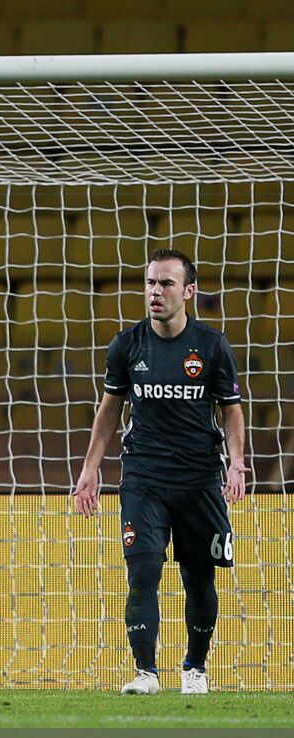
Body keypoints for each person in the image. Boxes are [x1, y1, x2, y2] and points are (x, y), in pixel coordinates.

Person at [73, 248, 246, 696]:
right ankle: (146, 672)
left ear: (188, 291)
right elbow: (109, 411)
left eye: (166, 283)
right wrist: (91, 468)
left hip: (199, 479)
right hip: (144, 478)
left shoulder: (211, 347)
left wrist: (237, 462)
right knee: (144, 571)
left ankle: (194, 668)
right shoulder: (126, 346)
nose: (155, 291)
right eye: (150, 282)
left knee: (199, 576)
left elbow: (231, 410)